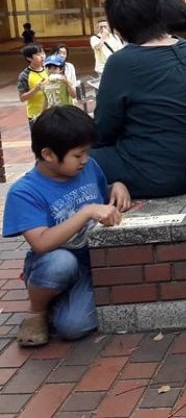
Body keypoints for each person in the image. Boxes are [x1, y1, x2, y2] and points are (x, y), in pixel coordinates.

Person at [2, 106, 131, 347]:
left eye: (86, 152)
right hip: (52, 262)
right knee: (61, 263)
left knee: (74, 327)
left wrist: (116, 186)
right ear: (49, 154)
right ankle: (37, 312)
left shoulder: (89, 167)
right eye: (78, 155)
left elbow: (98, 196)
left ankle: (61, 304)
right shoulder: (24, 192)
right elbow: (41, 242)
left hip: (89, 262)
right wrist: (87, 213)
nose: (85, 160)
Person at [90, 0, 186, 199]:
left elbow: (103, 128)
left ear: (117, 25)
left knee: (67, 158)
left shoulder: (122, 62)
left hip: (155, 174)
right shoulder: (185, 47)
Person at [18, 43, 48, 126]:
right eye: (38, 54)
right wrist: (36, 89)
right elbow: (22, 98)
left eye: (43, 53)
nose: (42, 56)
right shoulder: (25, 75)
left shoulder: (49, 69)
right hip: (36, 115)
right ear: (29, 58)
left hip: (51, 112)